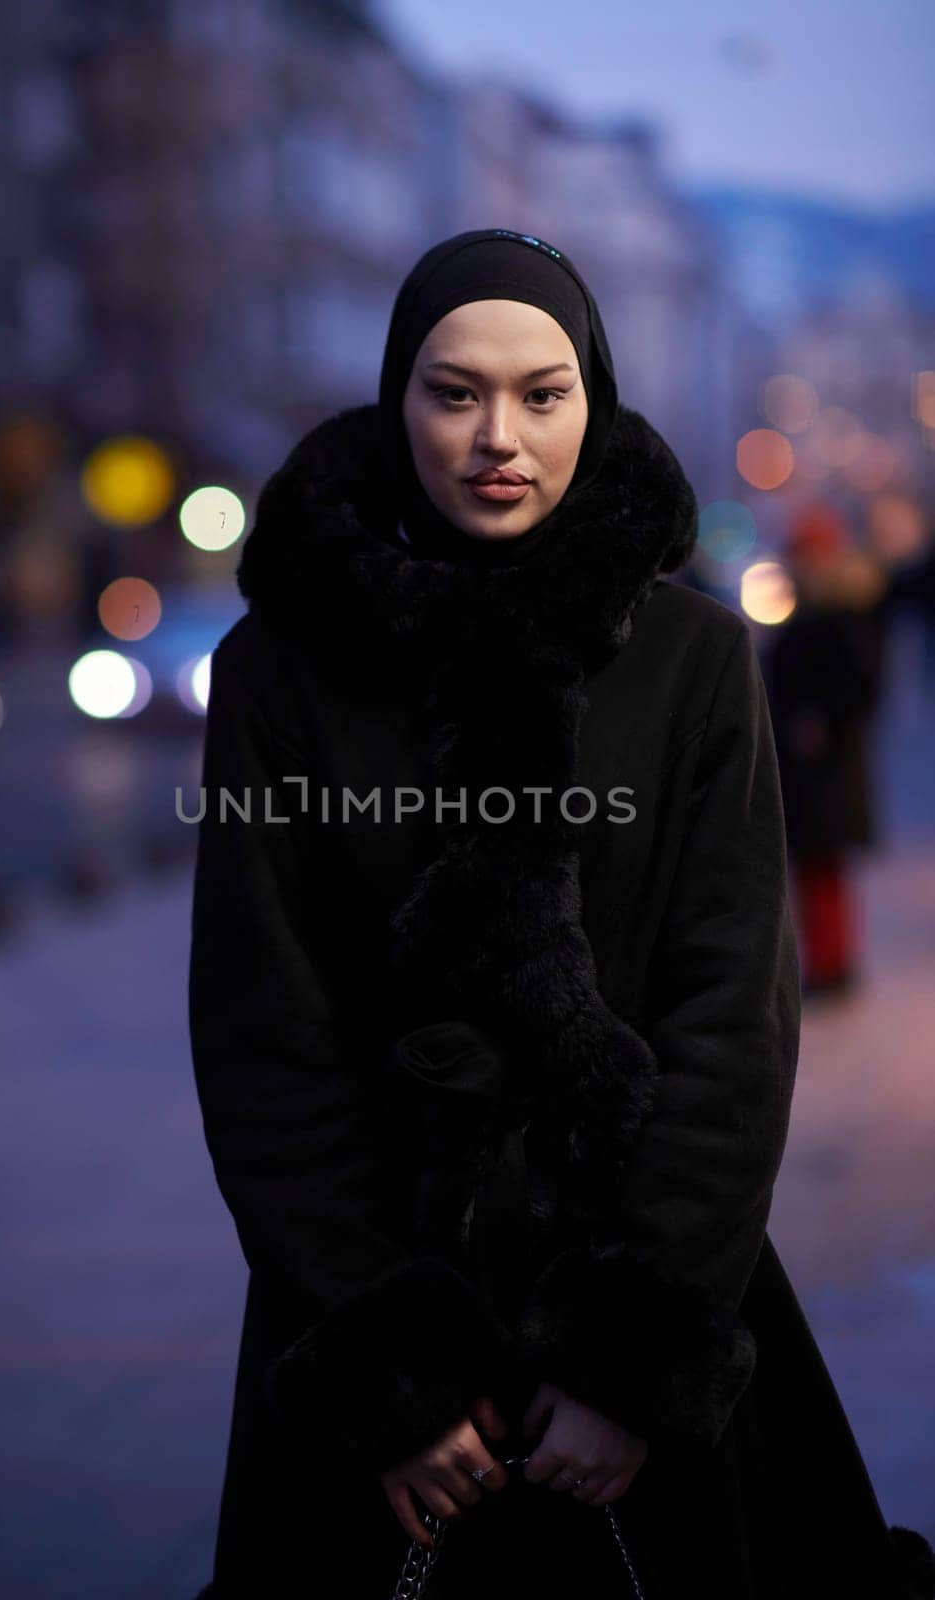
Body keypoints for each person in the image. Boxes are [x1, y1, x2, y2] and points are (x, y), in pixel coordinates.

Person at [188, 229, 935, 1598]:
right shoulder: (276, 675)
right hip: (370, 1315)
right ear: (391, 398)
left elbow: (732, 1021)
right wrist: (391, 1379)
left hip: (646, 1291)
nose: (496, 436)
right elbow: (261, 1033)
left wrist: (628, 1367)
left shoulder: (695, 661)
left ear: (592, 395)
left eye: (541, 393)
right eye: (451, 390)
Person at [765, 503, 889, 998]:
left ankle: (831, 966)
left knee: (823, 871)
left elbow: (858, 687)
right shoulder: (826, 609)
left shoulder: (837, 613)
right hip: (819, 769)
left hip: (826, 771)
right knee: (817, 871)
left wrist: (820, 721)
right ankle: (828, 963)